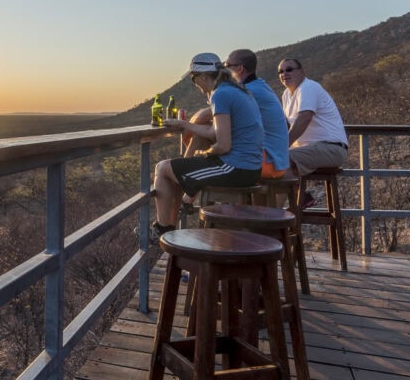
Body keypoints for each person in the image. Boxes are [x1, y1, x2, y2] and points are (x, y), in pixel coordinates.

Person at [143, 53, 264, 241]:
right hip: (250, 166)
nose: (195, 83)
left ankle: (163, 230)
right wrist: (184, 125)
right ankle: (168, 228)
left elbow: (223, 145)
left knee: (163, 168)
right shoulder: (235, 90)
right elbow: (215, 132)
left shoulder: (221, 94)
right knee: (172, 168)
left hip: (236, 168)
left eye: (193, 78)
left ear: (203, 77)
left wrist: (205, 153)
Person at [277, 58, 348, 206]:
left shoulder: (308, 87)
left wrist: (282, 146)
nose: (284, 74)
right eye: (281, 71)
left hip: (331, 148)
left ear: (302, 72)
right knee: (270, 159)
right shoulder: (286, 95)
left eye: (289, 69)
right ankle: (299, 197)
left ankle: (271, 217)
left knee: (278, 159)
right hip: (309, 149)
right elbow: (286, 126)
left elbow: (304, 118)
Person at [225, 49, 289, 179]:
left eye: (227, 66)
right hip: (279, 161)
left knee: (205, 142)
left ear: (240, 68)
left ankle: (186, 192)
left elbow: (206, 115)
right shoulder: (260, 86)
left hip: (267, 162)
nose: (224, 70)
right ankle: (188, 192)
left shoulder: (248, 91)